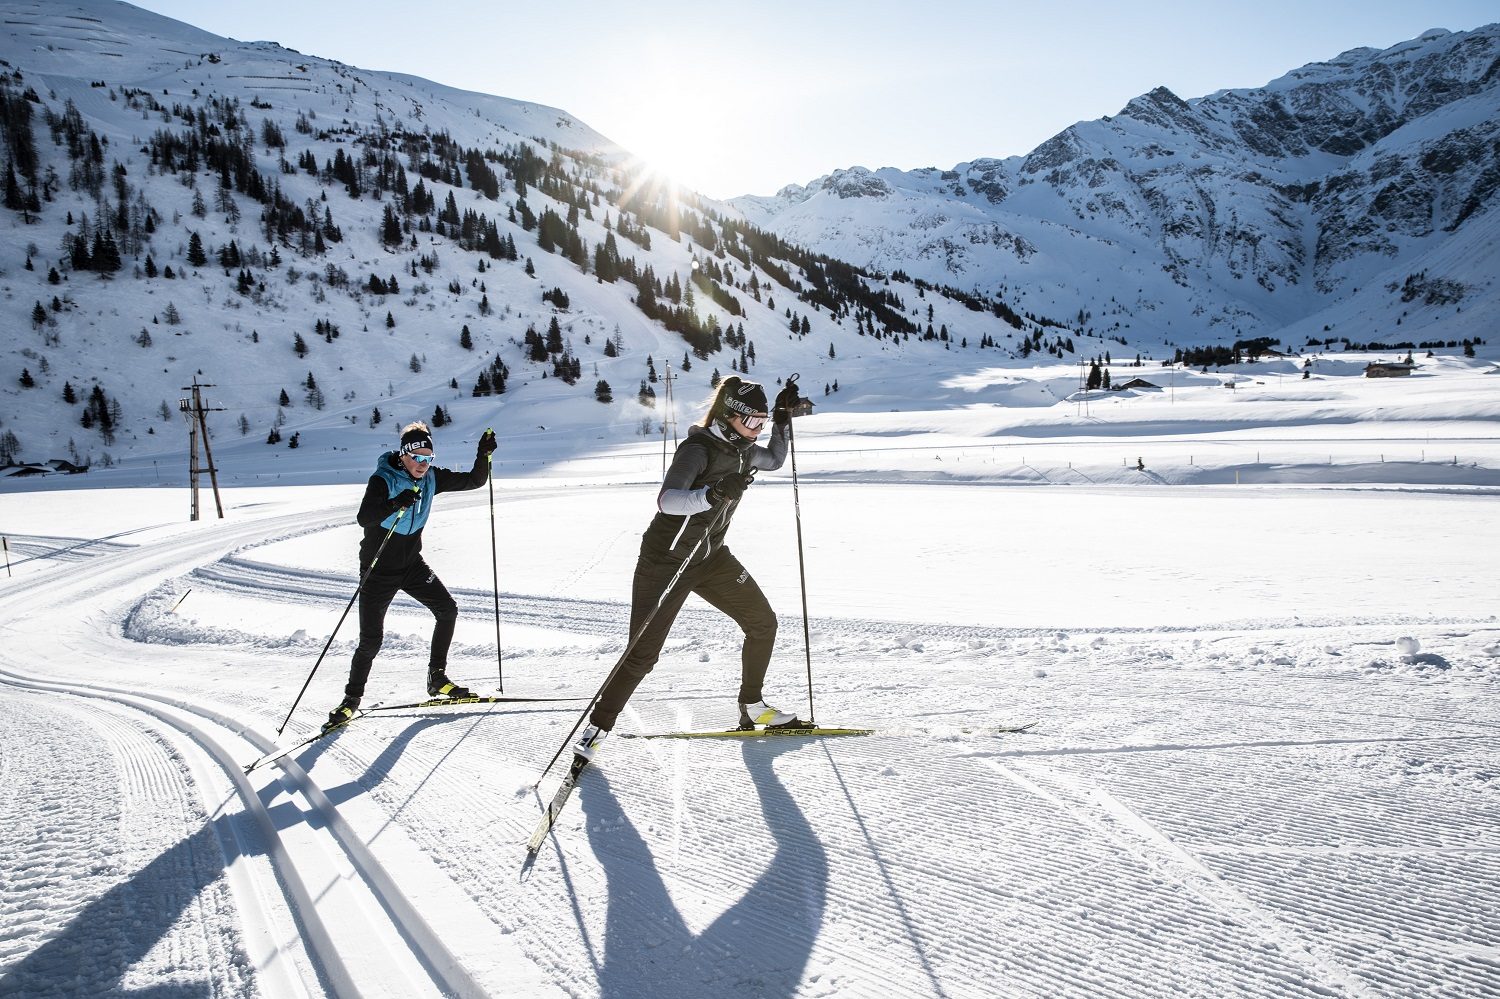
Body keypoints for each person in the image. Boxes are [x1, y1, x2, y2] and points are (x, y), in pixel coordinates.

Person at [572, 375, 804, 762]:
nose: (757, 430)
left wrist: (782, 420)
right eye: (754, 422)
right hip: (666, 560)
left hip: (710, 556)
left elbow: (776, 460)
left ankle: (752, 705)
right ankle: (598, 726)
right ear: (731, 415)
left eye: (762, 423)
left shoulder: (746, 450)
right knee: (643, 655)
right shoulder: (698, 449)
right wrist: (711, 493)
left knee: (763, 622)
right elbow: (668, 501)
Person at [325, 422, 498, 730]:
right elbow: (364, 517)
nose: (423, 464)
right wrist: (395, 502)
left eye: (428, 458)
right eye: (418, 457)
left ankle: (437, 678)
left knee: (447, 610)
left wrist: (482, 455)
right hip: (377, 571)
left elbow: (474, 481)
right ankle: (350, 701)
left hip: (411, 565)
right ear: (404, 455)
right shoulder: (383, 479)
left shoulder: (431, 477)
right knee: (371, 641)